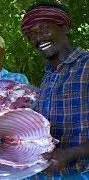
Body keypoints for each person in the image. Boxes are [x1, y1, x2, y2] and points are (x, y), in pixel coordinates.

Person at [21, 2, 89, 179]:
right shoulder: (48, 78)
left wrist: (72, 153)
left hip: (80, 173)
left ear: (64, 28)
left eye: (44, 29)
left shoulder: (87, 66)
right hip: (43, 174)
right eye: (32, 35)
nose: (38, 38)